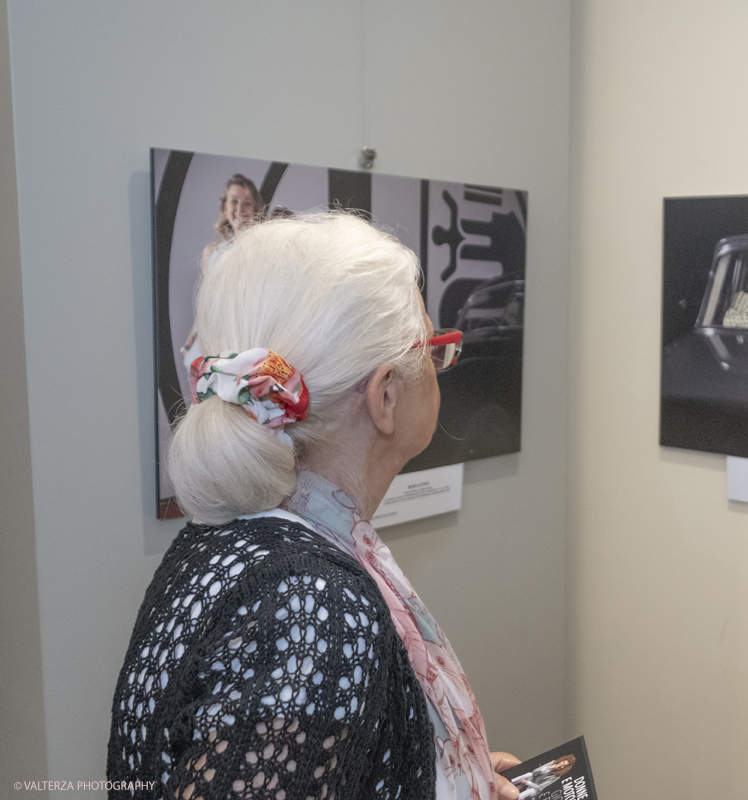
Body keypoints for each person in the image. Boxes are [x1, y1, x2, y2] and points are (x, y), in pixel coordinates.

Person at [110, 214, 520, 800]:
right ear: (384, 396)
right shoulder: (310, 606)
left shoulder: (238, 540)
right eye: (433, 350)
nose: (440, 369)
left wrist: (437, 774)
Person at [181, 175, 267, 362]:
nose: (240, 210)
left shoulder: (265, 252)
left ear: (256, 209)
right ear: (224, 207)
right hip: (207, 347)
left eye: (247, 204)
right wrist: (188, 344)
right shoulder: (211, 252)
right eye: (234, 201)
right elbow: (206, 305)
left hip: (244, 345)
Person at [510, 755, 576, 799]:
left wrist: (528, 783)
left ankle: (515, 798)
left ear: (564, 768)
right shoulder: (552, 762)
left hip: (535, 787)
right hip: (533, 778)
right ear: (562, 760)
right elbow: (534, 772)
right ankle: (511, 783)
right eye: (563, 762)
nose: (562, 765)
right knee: (529, 774)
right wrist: (548, 767)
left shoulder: (556, 776)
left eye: (564, 766)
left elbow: (540, 787)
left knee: (532, 791)